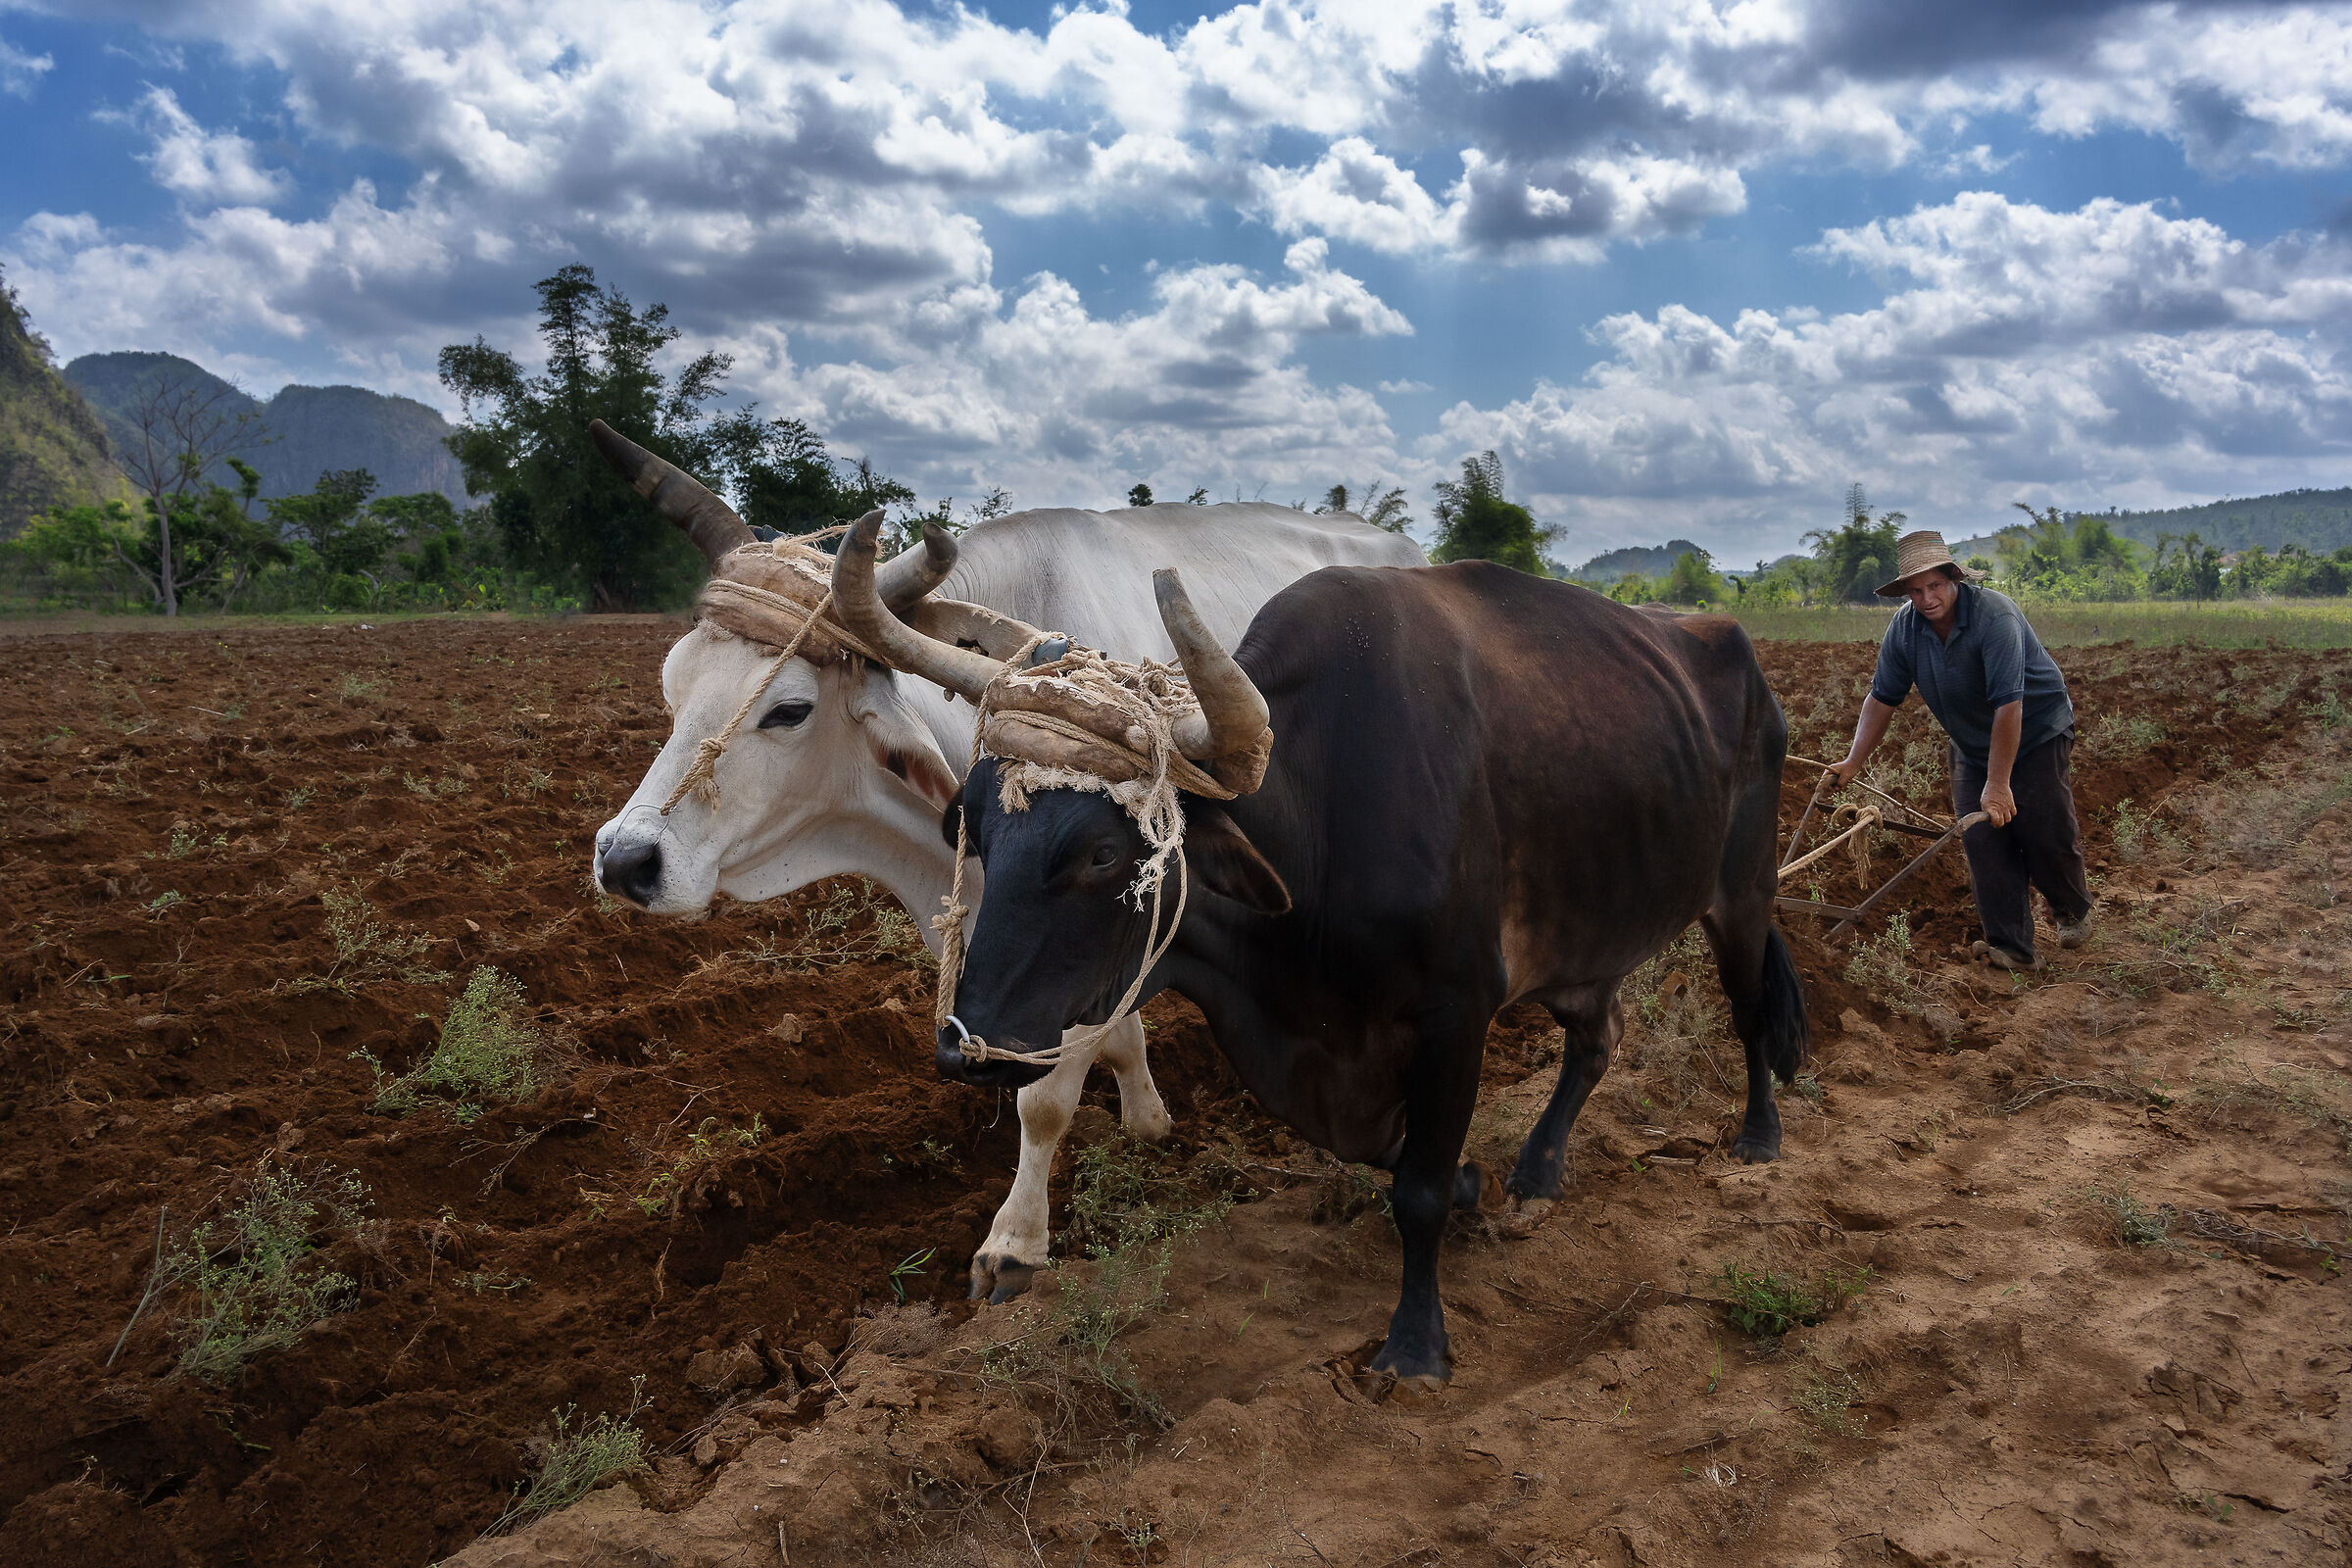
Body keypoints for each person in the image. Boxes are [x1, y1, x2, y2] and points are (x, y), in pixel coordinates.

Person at [1827, 530, 2092, 969]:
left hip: (2038, 730)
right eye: (1916, 590)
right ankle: (2012, 949)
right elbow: (1881, 698)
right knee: (1983, 839)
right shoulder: (1905, 629)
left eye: (1934, 586)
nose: (1926, 598)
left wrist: (1999, 783)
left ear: (1954, 579)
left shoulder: (1994, 617)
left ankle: (2072, 908)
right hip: (1971, 742)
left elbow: (2009, 705)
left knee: (2042, 828)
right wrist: (1854, 761)